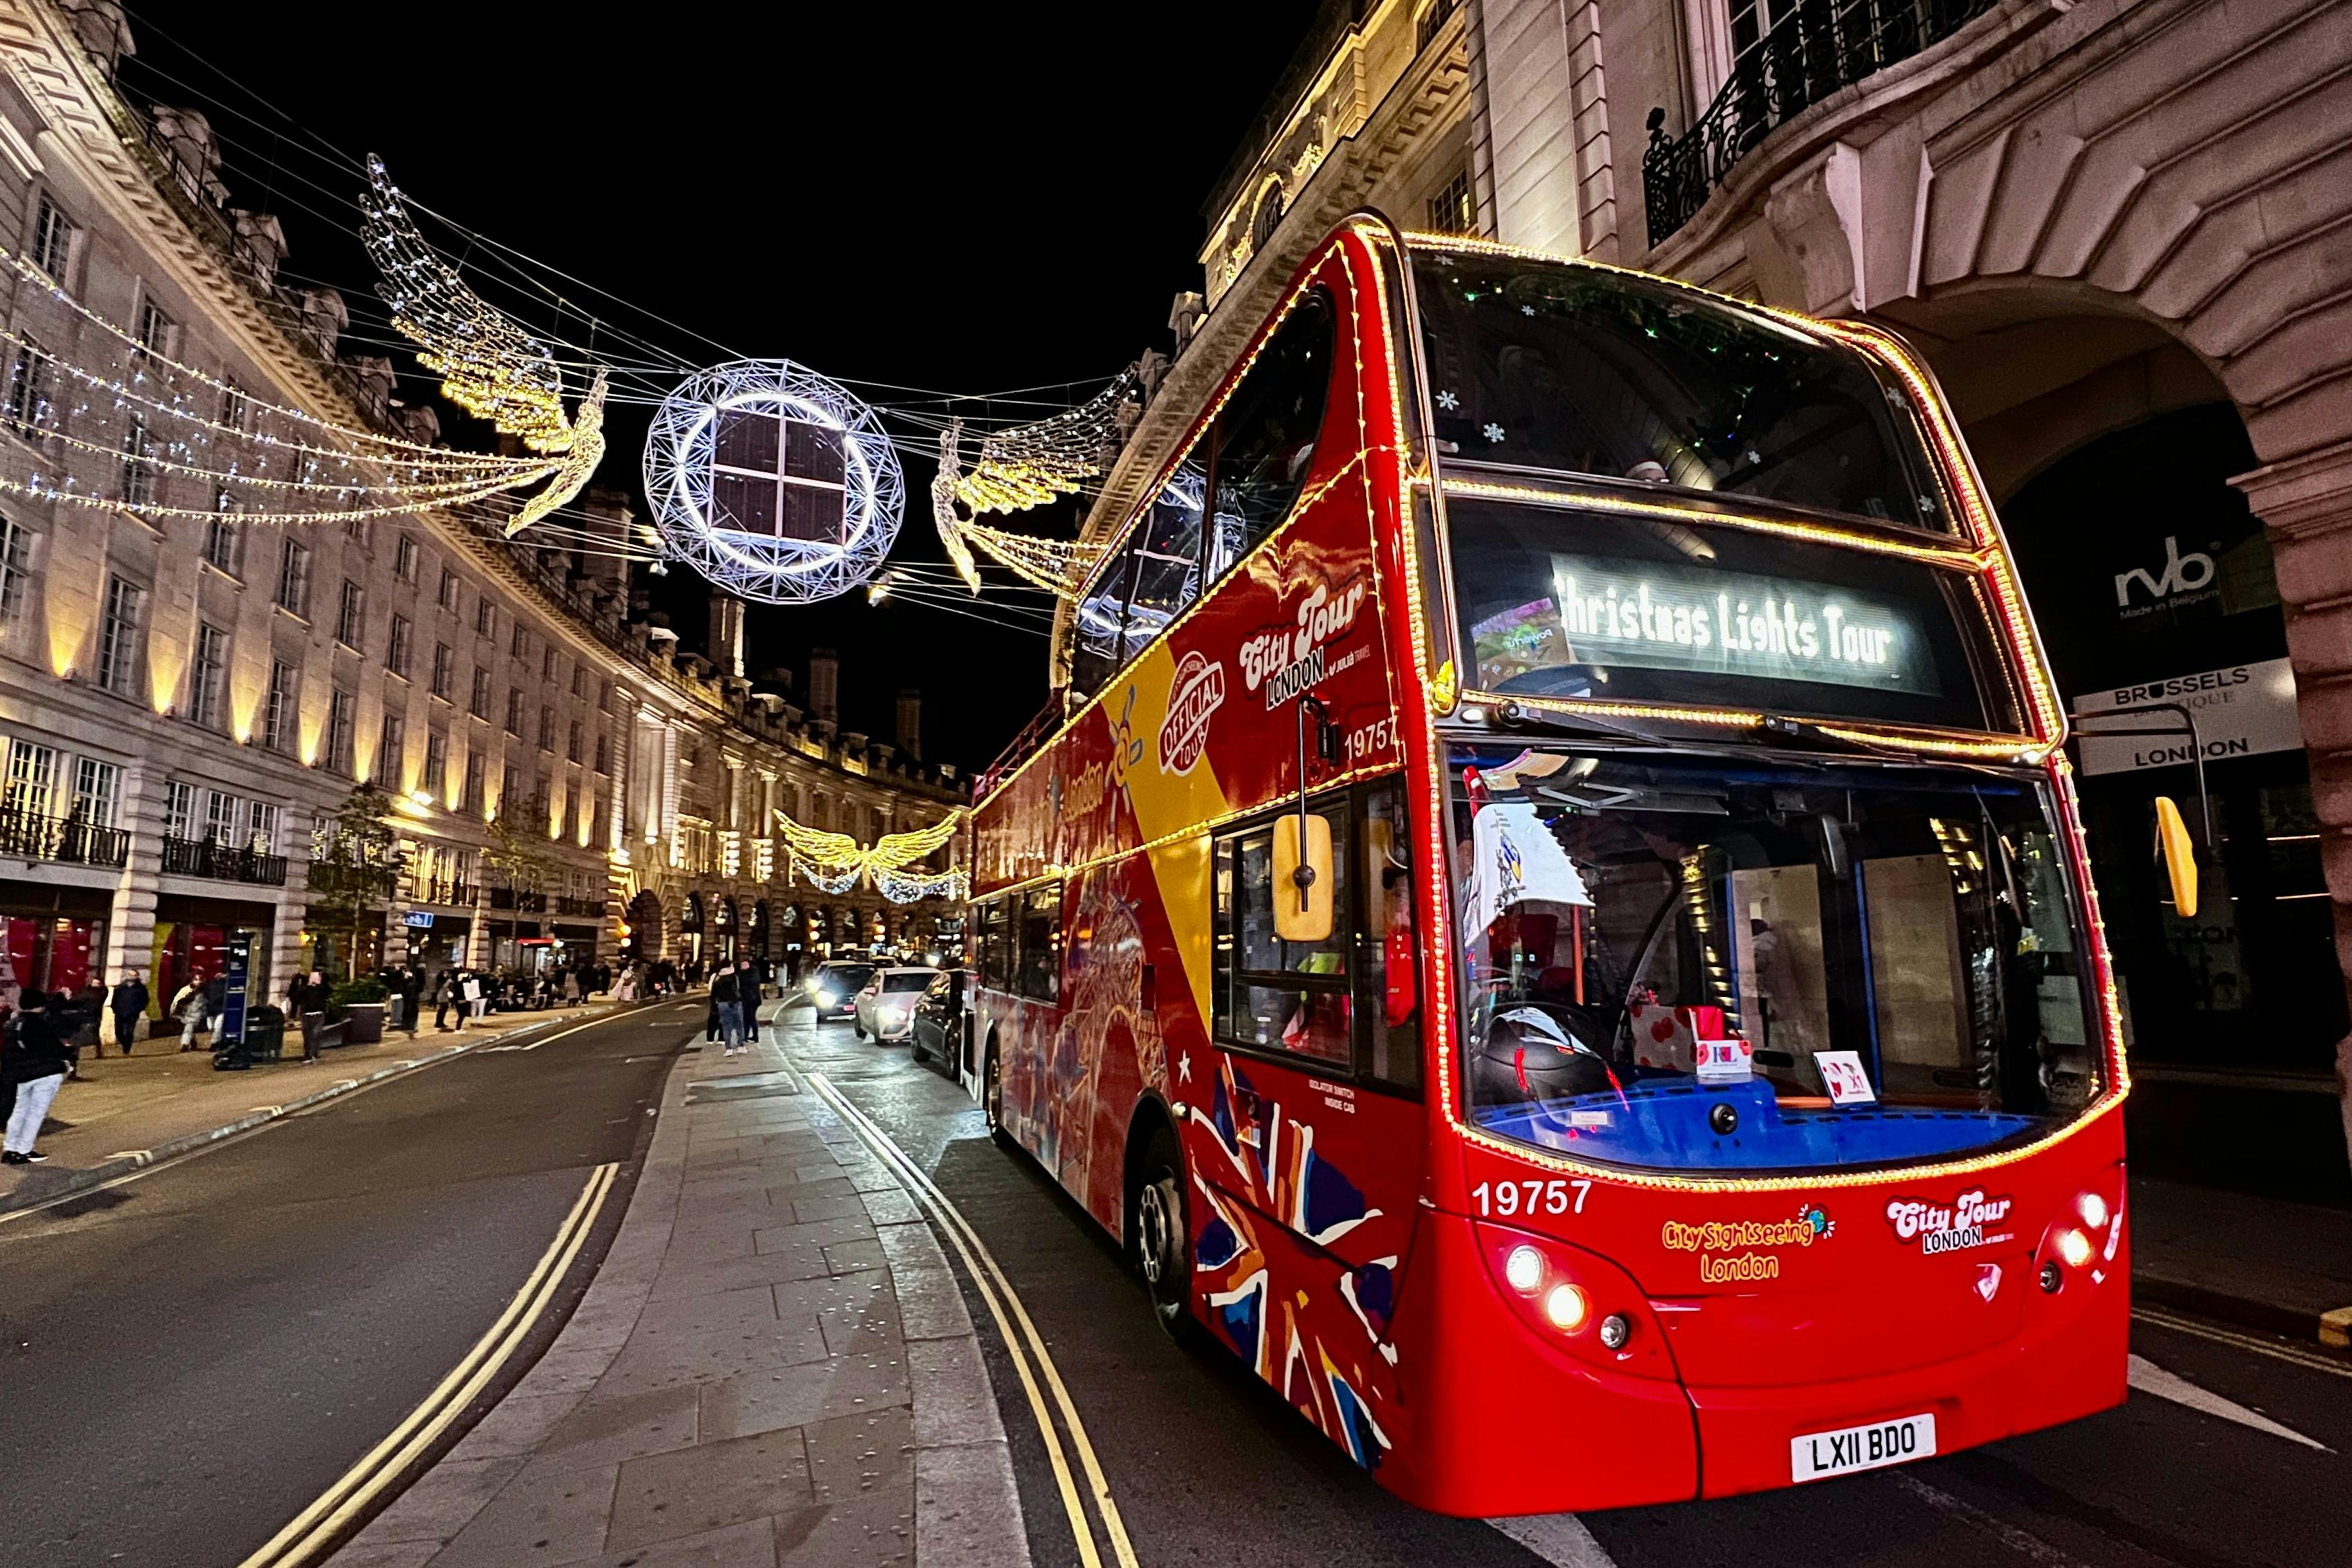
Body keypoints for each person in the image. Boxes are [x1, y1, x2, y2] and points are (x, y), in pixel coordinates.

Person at [3, 989, 74, 1165]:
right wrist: (68, 1052)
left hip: (22, 1075)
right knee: (35, 1114)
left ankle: (10, 1149)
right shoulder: (39, 1024)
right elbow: (52, 1048)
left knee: (19, 1112)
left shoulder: (12, 1024)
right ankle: (24, 1151)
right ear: (40, 1006)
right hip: (44, 1073)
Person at [108, 969, 149, 1058]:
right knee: (118, 1032)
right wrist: (114, 1008)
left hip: (132, 1014)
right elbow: (114, 999)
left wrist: (138, 1009)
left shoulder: (141, 988)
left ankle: (127, 1048)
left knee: (129, 1032)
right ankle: (124, 1044)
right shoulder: (120, 988)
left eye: (134, 975)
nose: (132, 976)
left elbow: (145, 1000)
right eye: (130, 974)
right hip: (119, 1013)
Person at [712, 962, 746, 1057]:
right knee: (739, 1025)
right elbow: (737, 990)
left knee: (726, 1027)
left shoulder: (717, 978)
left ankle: (729, 1048)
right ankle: (741, 1045)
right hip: (735, 1003)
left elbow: (713, 994)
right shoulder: (734, 978)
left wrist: (714, 1006)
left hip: (722, 1004)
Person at [174, 976, 210, 1052]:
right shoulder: (187, 991)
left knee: (189, 1027)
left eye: (200, 980)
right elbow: (179, 1001)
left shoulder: (203, 992)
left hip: (195, 1014)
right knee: (189, 1028)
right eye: (196, 980)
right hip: (186, 1013)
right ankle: (188, 1042)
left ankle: (185, 1043)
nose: (199, 982)